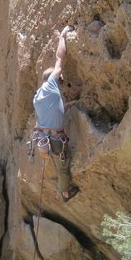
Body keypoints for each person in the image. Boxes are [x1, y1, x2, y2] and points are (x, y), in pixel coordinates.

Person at [32, 25, 79, 202]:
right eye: (60, 79)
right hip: (56, 139)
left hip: (45, 139)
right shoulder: (52, 84)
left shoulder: (38, 97)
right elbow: (60, 58)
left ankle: (63, 189)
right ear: (52, 78)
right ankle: (66, 194)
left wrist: (67, 106)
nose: (61, 81)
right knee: (63, 167)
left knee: (57, 164)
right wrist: (62, 36)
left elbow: (50, 113)